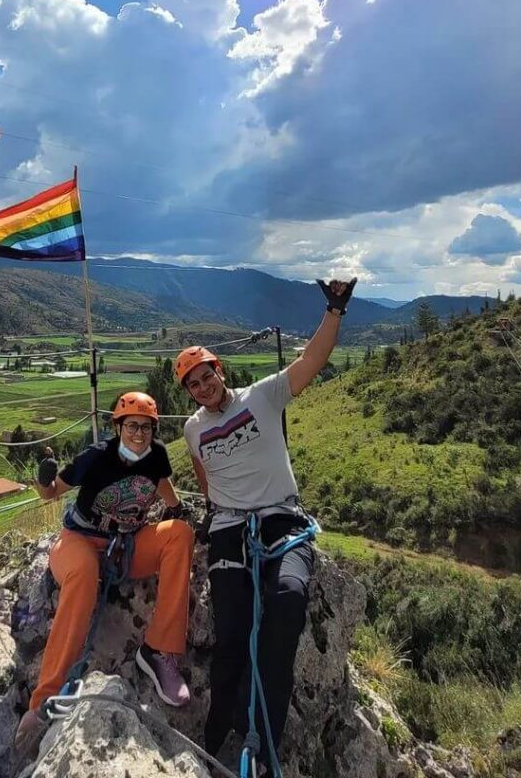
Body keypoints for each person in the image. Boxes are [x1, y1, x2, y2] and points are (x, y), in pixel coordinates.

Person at [178, 277, 357, 769]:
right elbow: (205, 476)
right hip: (229, 528)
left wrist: (334, 310)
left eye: (206, 374)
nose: (203, 386)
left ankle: (261, 742)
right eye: (193, 383)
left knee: (287, 603)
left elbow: (311, 361)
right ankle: (216, 735)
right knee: (232, 632)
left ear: (220, 369)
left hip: (282, 518)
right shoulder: (194, 430)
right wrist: (220, 514)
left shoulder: (263, 396)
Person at [13, 391, 195, 759]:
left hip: (126, 545)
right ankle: (46, 698)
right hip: (80, 540)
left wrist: (178, 509)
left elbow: (162, 485)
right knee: (82, 573)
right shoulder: (96, 457)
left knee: (179, 534)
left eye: (146, 427)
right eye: (132, 426)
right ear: (118, 427)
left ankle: (160, 650)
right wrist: (42, 479)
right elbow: (50, 494)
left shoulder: (156, 456)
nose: (139, 434)